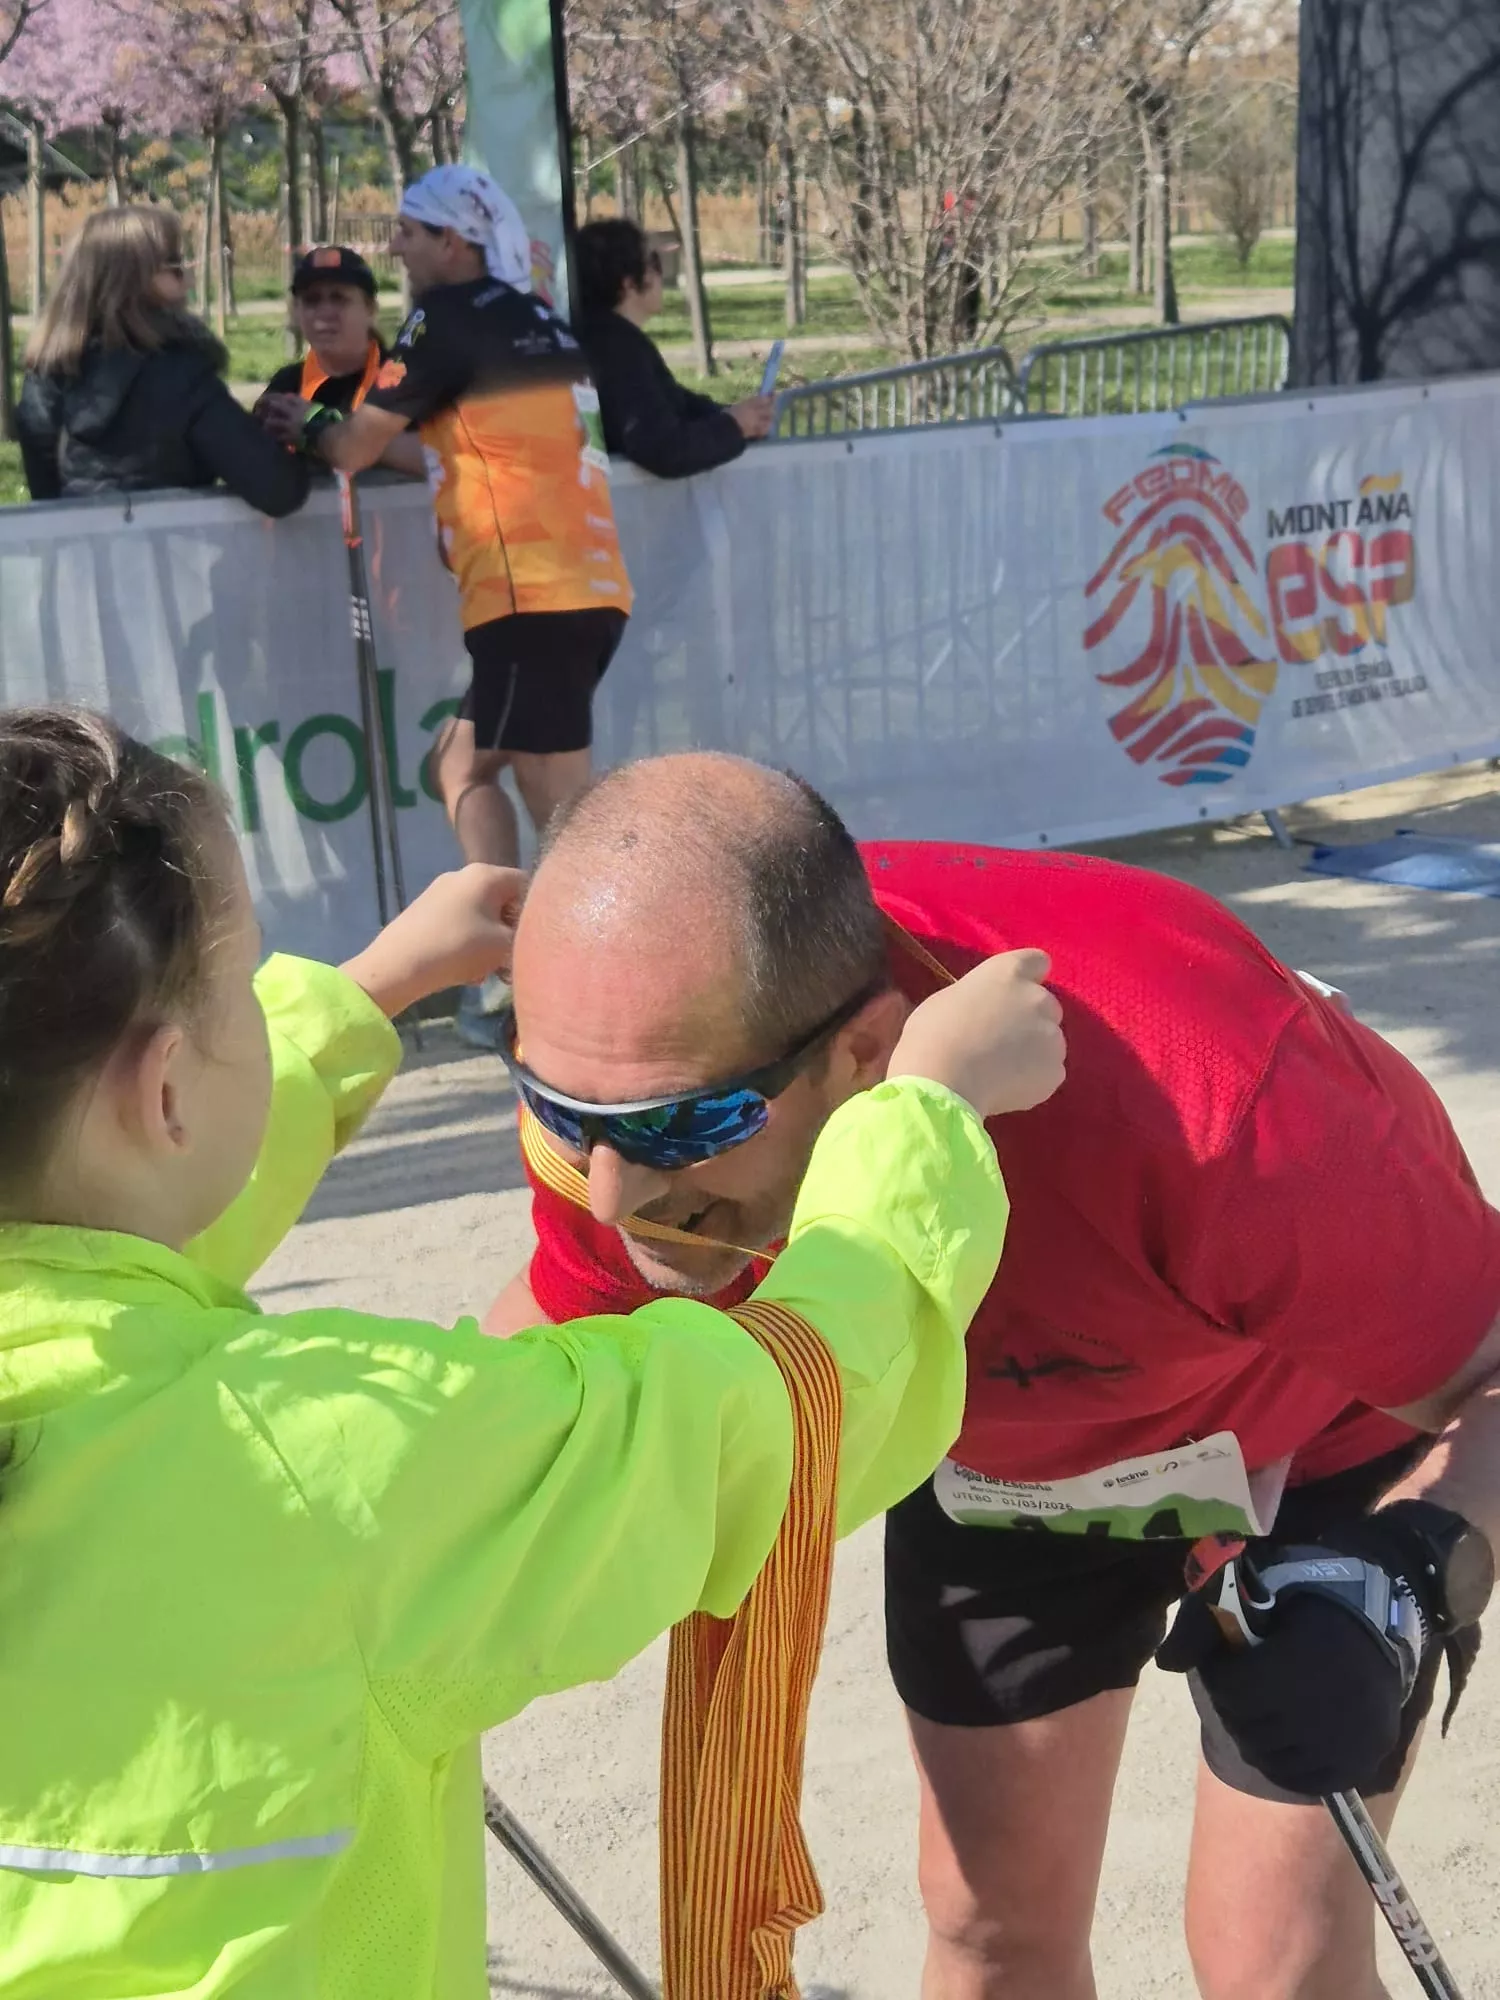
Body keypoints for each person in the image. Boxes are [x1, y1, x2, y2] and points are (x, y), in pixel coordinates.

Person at [0, 705, 1066, 2000]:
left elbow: (113, 1223)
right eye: (245, 982)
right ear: (166, 1090)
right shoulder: (318, 1477)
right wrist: (922, 1122)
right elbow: (753, 1424)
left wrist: (366, 995)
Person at [489, 751, 1500, 2000]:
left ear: (865, 1051)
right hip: (1000, 1454)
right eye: (551, 1109)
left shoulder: (1211, 1091)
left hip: (1309, 1436)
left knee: (1272, 1960)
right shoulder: (625, 1080)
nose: (609, 1193)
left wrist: (1406, 1575)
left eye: (680, 1131)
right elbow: (532, 1379)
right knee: (988, 1931)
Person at [261, 165, 631, 1047]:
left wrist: (301, 420)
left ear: (453, 242)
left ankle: (601, 976)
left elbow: (354, 446)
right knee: (461, 765)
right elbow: (440, 451)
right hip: (580, 583)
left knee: (570, 820)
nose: (397, 248)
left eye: (411, 232)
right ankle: (516, 962)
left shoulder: (442, 319)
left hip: (527, 593)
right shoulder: (533, 315)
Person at [17, 206, 307, 517]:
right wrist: (314, 430)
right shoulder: (183, 375)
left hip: (82, 561)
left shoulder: (45, 375)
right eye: (176, 265)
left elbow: (45, 497)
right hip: (175, 559)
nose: (189, 280)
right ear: (135, 280)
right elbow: (277, 490)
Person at [574, 217, 775, 477]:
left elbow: (679, 403)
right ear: (628, 283)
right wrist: (734, 426)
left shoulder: (611, 339)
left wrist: (736, 417)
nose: (662, 274)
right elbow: (664, 449)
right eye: (654, 263)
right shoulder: (616, 352)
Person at [256, 244, 424, 475]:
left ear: (371, 309)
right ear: (296, 312)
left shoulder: (404, 378)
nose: (325, 312)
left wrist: (321, 429)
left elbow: (442, 459)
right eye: (312, 300)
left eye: (339, 298)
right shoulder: (286, 386)